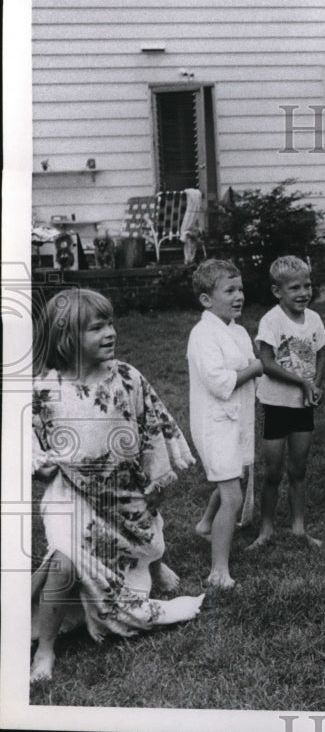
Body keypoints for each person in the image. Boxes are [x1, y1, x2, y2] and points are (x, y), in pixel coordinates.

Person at [31, 289, 204, 683]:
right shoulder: (44, 391)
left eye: (110, 323)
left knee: (145, 534)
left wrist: (159, 471)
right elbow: (29, 441)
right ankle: (45, 650)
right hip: (69, 494)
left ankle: (155, 565)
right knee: (63, 559)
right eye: (97, 327)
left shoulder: (126, 377)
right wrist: (36, 464)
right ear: (67, 337)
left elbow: (152, 423)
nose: (110, 332)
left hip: (121, 486)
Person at [188, 259, 263, 589]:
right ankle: (218, 571)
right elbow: (220, 382)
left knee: (231, 478)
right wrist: (257, 367)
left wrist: (256, 368)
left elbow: (247, 365)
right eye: (229, 290)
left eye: (240, 289)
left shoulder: (238, 330)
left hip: (236, 421)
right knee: (231, 496)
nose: (239, 296)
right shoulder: (203, 334)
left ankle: (205, 525)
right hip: (215, 425)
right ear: (206, 300)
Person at [249, 256, 325, 549]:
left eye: (307, 286)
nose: (303, 293)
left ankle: (298, 528)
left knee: (299, 470)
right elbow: (267, 363)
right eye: (294, 288)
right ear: (277, 291)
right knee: (273, 472)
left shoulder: (315, 319)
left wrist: (316, 385)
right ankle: (266, 529)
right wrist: (302, 382)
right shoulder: (271, 320)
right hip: (276, 405)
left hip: (302, 407)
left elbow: (322, 353)